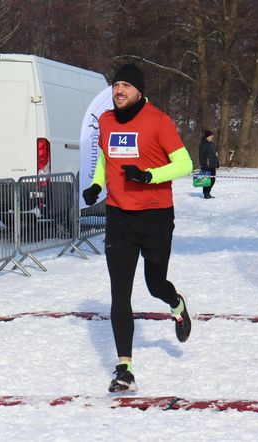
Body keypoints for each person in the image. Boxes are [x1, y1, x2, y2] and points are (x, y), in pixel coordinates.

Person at [81, 64, 193, 392]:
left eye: (126, 86)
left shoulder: (159, 121)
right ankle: (124, 368)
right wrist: (96, 185)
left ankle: (176, 304)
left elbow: (185, 163)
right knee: (120, 292)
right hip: (119, 218)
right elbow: (105, 158)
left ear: (139, 91)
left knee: (155, 283)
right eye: (116, 84)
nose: (119, 91)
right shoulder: (106, 121)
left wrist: (149, 175)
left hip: (156, 216)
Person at [198, 129, 219, 199]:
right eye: (211, 136)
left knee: (213, 180)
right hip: (206, 166)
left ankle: (208, 192)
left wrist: (217, 163)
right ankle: (205, 193)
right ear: (207, 136)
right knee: (206, 180)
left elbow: (214, 155)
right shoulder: (203, 144)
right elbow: (201, 155)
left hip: (212, 165)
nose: (212, 138)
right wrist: (202, 165)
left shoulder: (211, 144)